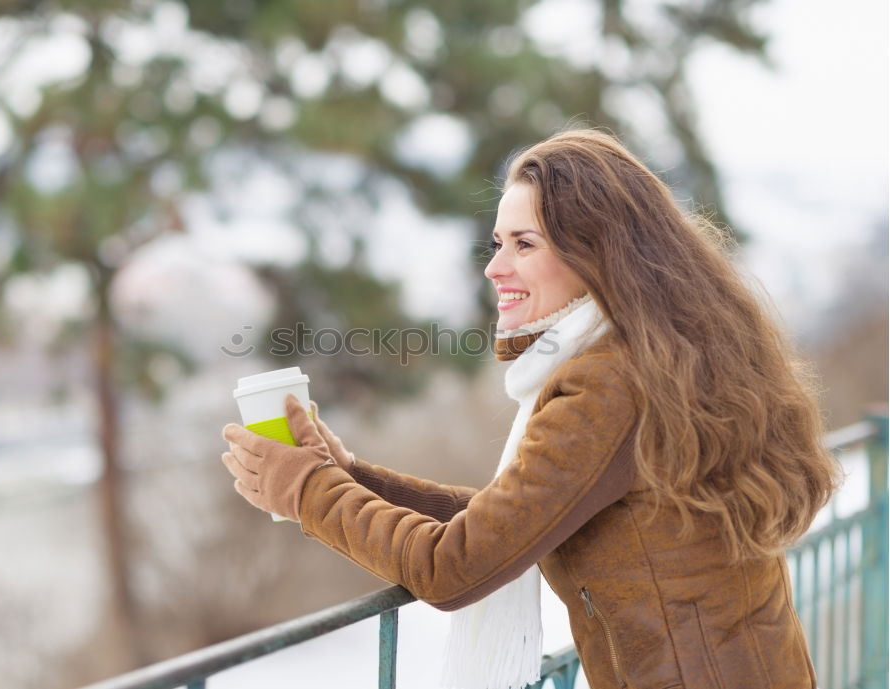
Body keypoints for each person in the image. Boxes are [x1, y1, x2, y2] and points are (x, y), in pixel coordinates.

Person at [221, 128, 841, 689]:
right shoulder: (658, 356)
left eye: (524, 244)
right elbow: (520, 518)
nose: (495, 267)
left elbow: (455, 565)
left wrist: (307, 491)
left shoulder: (608, 383)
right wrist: (349, 475)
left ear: (595, 252)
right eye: (497, 242)